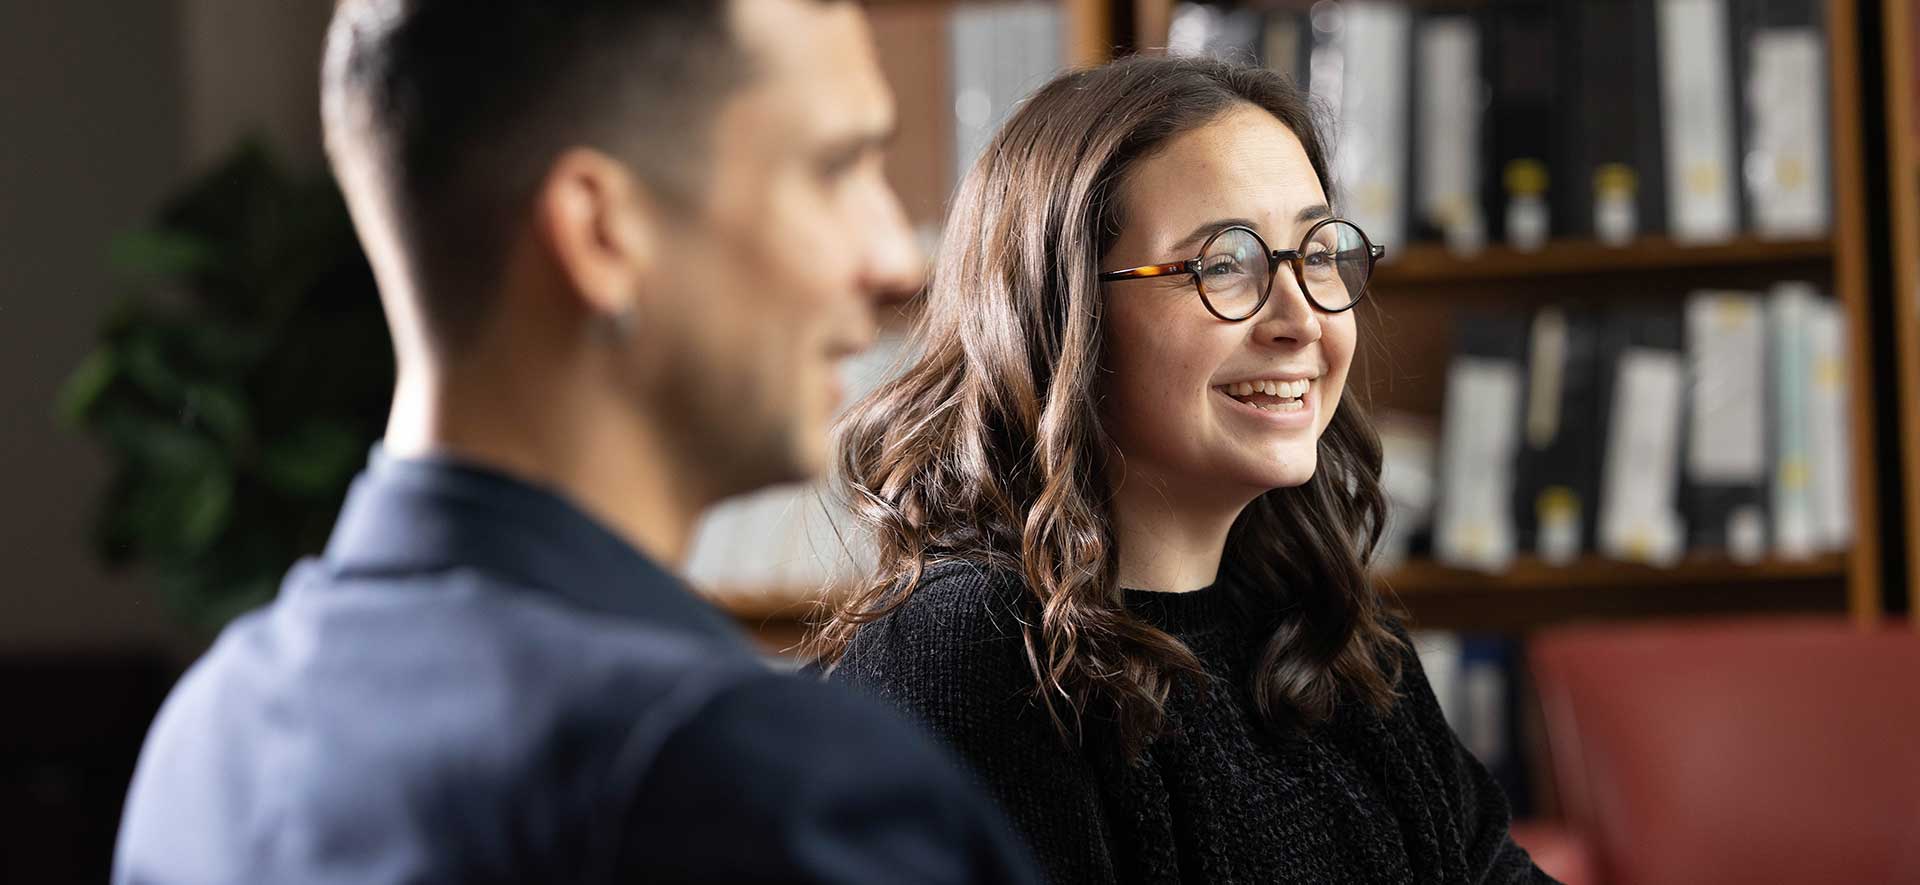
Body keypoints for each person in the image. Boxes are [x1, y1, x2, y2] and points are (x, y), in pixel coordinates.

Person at [114, 1, 1039, 882]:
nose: (897, 260)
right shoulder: (758, 785)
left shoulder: (206, 735)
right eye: (836, 169)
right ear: (601, 230)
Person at [811, 55, 1555, 884]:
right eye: (1224, 264)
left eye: (1317, 252)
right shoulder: (975, 650)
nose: (1301, 319)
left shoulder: (1326, 628)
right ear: (1063, 316)